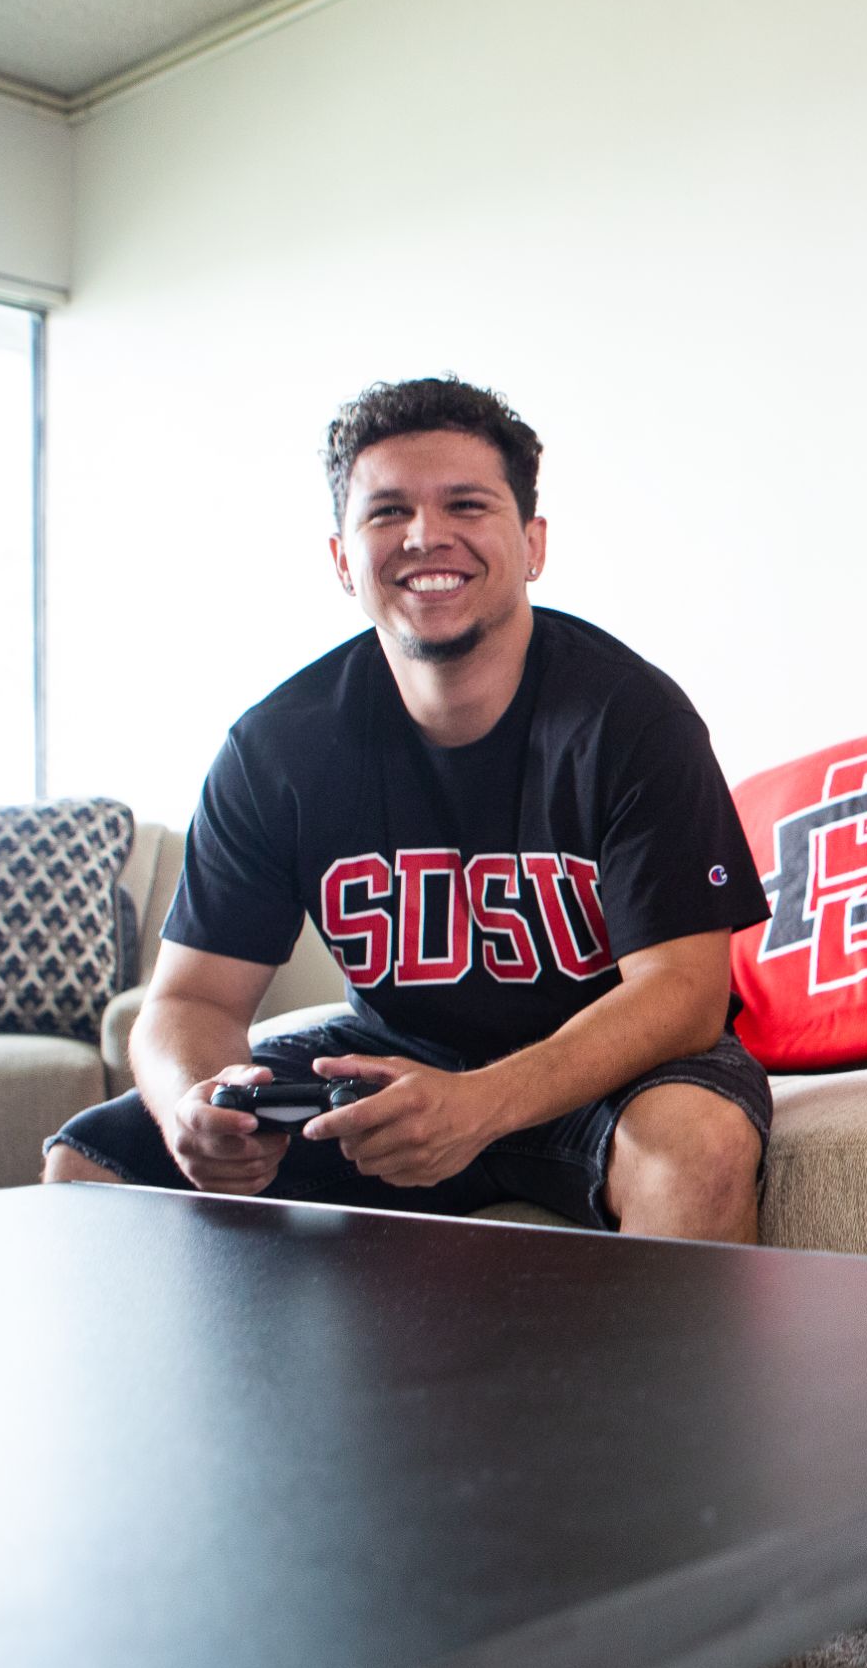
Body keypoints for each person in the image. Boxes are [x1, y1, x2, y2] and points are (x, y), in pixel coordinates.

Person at [43, 376, 774, 1239]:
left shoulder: (632, 719)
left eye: (466, 504)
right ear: (342, 558)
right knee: (92, 1159)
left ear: (532, 544)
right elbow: (190, 1003)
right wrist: (194, 1109)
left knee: (698, 1147)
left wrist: (480, 1104)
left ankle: (675, 1385)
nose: (427, 535)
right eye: (387, 512)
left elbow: (683, 995)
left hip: (611, 1068)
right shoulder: (276, 747)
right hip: (394, 1067)